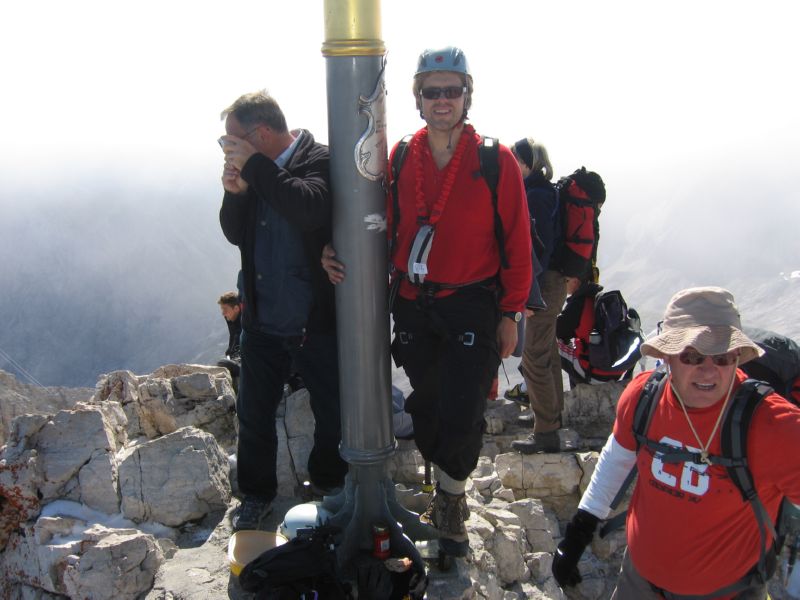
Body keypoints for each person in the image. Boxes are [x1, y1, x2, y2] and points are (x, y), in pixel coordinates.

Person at [323, 46, 531, 556]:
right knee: (427, 402)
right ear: (417, 98)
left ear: (467, 96)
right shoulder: (400, 155)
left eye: (451, 90)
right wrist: (336, 246)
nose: (442, 100)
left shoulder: (493, 159)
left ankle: (453, 500)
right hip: (414, 302)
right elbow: (380, 220)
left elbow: (519, 242)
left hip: (471, 303)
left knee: (463, 409)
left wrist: (511, 313)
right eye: (431, 90)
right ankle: (442, 484)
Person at [552, 287, 800, 599]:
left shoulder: (774, 426)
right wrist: (579, 532)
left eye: (722, 357)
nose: (708, 370)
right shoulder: (644, 397)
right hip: (638, 582)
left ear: (738, 357)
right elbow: (618, 458)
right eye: (692, 356)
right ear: (668, 357)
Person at [219, 90, 347, 531]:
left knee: (333, 411)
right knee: (254, 413)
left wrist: (254, 167)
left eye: (232, 140)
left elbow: (309, 208)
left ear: (263, 133)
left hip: (313, 321)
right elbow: (236, 234)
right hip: (262, 321)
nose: (227, 149)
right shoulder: (253, 173)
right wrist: (236, 192)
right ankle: (256, 494)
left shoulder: (320, 161)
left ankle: (330, 485)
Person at [505, 138, 569, 453]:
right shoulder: (545, 192)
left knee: (533, 359)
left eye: (516, 158)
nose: (512, 163)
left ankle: (545, 432)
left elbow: (536, 249)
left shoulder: (536, 195)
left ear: (529, 162)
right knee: (547, 355)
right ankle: (554, 420)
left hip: (542, 286)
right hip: (551, 284)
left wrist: (528, 294)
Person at [555, 273, 638, 386]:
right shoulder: (603, 299)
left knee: (546, 342)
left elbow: (557, 330)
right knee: (576, 349)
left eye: (566, 280)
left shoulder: (578, 304)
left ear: (575, 281)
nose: (563, 285)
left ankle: (530, 391)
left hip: (595, 373)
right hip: (616, 371)